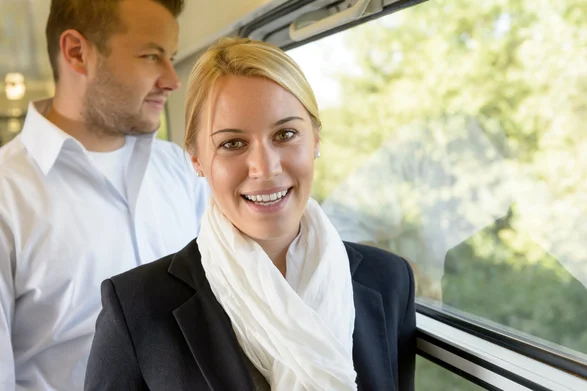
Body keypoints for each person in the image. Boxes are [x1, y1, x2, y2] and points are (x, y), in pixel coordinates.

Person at [84, 37, 416, 391]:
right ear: (196, 159)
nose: (264, 167)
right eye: (232, 143)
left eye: (285, 134)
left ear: (316, 140)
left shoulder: (388, 281)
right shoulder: (137, 309)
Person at [0, 0, 209, 390]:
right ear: (77, 53)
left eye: (172, 56)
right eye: (151, 56)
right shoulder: (6, 196)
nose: (172, 79)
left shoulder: (184, 170)